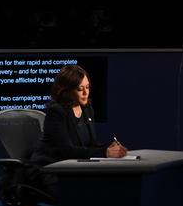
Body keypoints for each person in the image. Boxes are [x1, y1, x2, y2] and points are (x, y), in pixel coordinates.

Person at [28, 65, 128, 198]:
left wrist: (110, 149)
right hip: (51, 172)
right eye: (80, 89)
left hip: (74, 171)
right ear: (66, 91)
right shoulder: (56, 112)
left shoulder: (87, 108)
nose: (86, 93)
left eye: (87, 87)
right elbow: (67, 151)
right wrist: (105, 152)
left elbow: (90, 145)